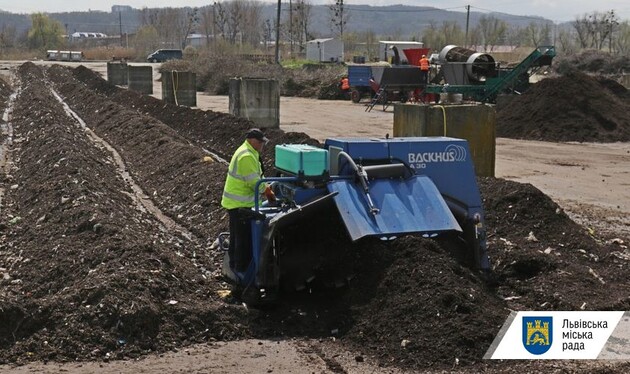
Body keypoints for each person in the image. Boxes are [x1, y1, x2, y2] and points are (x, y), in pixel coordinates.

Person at [221, 128, 276, 272]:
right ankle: (241, 269)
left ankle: (236, 267)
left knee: (237, 237)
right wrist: (267, 192)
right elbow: (253, 181)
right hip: (240, 205)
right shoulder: (246, 156)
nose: (262, 145)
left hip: (239, 204)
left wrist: (267, 187)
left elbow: (259, 176)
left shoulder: (250, 152)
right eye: (260, 142)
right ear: (252, 141)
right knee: (242, 239)